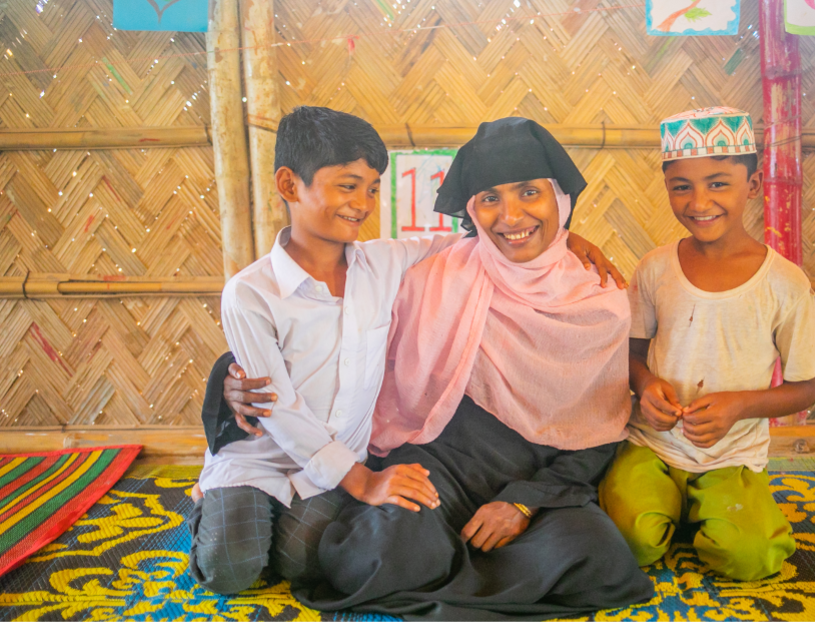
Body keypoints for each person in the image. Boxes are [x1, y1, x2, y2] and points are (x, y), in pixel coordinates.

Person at [192, 109, 624, 596]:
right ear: (290, 185)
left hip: (379, 473)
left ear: (558, 198)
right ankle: (218, 503)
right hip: (321, 457)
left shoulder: (387, 265)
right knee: (247, 567)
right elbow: (275, 394)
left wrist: (565, 235)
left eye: (371, 189)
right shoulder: (261, 290)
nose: (362, 204)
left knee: (308, 560)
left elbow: (485, 234)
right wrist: (230, 383)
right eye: (347, 186)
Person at [294, 117, 655, 620]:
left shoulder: (600, 300)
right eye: (489, 198)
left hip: (537, 482)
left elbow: (598, 434)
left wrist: (523, 504)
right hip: (438, 467)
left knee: (600, 559)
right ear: (471, 209)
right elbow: (334, 338)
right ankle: (462, 569)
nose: (511, 216)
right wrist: (234, 378)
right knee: (385, 552)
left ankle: (449, 576)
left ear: (560, 200)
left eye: (530, 192)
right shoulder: (436, 276)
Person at [599, 107, 815, 581]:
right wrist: (646, 383)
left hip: (730, 456)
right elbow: (631, 356)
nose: (699, 201)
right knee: (627, 543)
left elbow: (805, 388)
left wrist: (739, 406)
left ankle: (700, 509)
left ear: (754, 185)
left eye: (718, 183)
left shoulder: (785, 284)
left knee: (751, 558)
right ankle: (669, 508)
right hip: (651, 446)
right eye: (682, 186)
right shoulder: (656, 269)